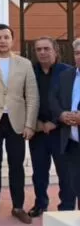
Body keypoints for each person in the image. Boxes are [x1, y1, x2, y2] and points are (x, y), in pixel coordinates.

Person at [0, 24, 38, 224]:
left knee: (16, 165)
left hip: (17, 121)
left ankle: (18, 206)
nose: (2, 41)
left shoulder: (24, 64)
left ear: (12, 40)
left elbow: (32, 96)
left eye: (6, 37)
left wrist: (29, 124)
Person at [30, 37, 74, 216]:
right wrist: (36, 123)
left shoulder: (68, 72)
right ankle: (40, 204)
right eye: (38, 49)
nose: (42, 52)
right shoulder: (30, 71)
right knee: (39, 172)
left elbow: (70, 100)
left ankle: (67, 207)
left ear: (56, 50)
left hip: (61, 131)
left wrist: (55, 122)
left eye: (46, 48)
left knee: (65, 173)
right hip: (38, 131)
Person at [51, 38, 80, 211]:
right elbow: (53, 100)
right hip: (72, 143)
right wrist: (61, 115)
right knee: (76, 185)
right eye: (77, 53)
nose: (79, 57)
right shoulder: (66, 76)